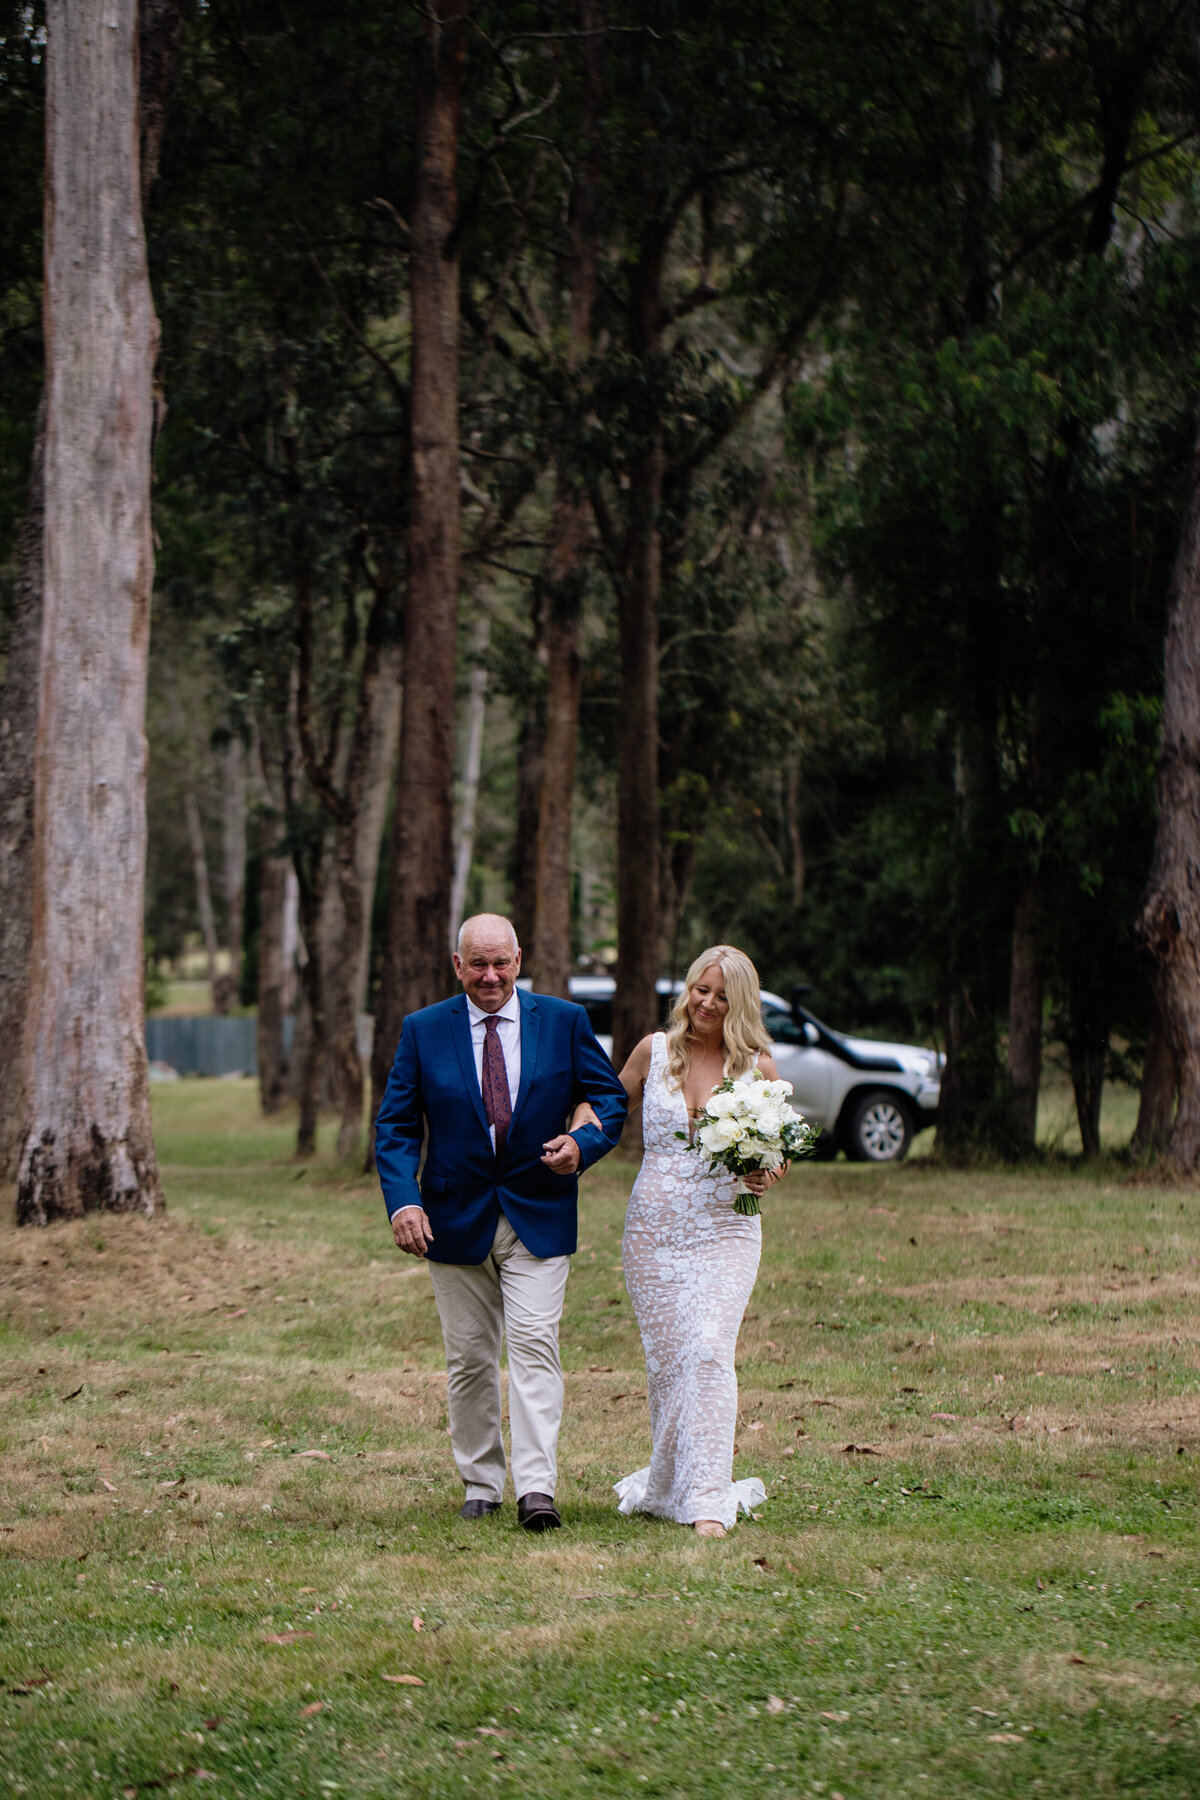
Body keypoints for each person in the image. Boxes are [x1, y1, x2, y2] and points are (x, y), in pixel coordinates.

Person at [375, 914, 628, 1531]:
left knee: (535, 1346)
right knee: (468, 1359)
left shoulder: (564, 1021)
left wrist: (582, 1144)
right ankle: (481, 1483)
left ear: (520, 959)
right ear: (457, 965)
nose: (491, 976)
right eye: (477, 964)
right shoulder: (423, 1029)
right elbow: (397, 1126)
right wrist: (404, 1201)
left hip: (537, 1210)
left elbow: (611, 1098)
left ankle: (536, 1488)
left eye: (502, 963)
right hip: (452, 1218)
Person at [573, 946, 787, 1539]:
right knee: (670, 1364)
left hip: (726, 1227)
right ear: (688, 990)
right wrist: (577, 1131)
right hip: (654, 1231)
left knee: (711, 1348)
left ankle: (710, 1499)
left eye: (721, 995)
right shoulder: (654, 1051)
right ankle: (671, 1485)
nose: (708, 1004)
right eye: (701, 989)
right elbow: (609, 1107)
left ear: (739, 1003)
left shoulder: (758, 1068)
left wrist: (766, 1172)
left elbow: (780, 1152)